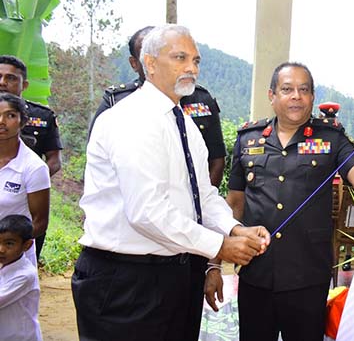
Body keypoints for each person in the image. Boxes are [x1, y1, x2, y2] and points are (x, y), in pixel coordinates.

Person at [71, 24, 270, 341]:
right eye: (180, 58)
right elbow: (147, 212)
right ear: (149, 63)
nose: (191, 68)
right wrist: (219, 246)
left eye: (196, 60)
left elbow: (202, 196)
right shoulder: (131, 119)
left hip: (174, 275)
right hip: (125, 280)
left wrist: (234, 229)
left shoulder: (184, 123)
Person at [211, 62, 354, 341]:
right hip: (256, 273)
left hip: (307, 276)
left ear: (312, 97)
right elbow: (234, 205)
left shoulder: (331, 138)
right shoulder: (249, 139)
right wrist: (216, 261)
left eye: (303, 90)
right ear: (272, 96)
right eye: (287, 89)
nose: (296, 96)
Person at [89, 26, 227, 186]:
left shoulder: (199, 100)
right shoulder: (117, 105)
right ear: (136, 62)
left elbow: (216, 160)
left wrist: (200, 207)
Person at [0, 56, 61, 260]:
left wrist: (31, 184)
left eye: (10, 78)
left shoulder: (41, 116)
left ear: (24, 84)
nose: (2, 82)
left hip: (24, 201)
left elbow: (54, 159)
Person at [0, 92, 50, 266]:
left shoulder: (34, 168)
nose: (1, 121)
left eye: (10, 115)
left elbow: (40, 221)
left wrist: (9, 247)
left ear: (22, 122)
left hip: (13, 261)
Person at [0, 214, 42, 341]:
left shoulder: (25, 275)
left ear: (27, 245)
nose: (1, 249)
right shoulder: (4, 265)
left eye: (9, 244)